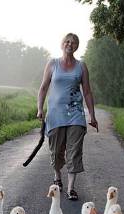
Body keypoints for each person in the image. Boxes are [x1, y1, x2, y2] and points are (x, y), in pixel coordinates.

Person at [37, 33, 98, 201]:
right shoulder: (52, 64)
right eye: (67, 41)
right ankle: (57, 176)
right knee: (56, 151)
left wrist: (92, 115)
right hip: (55, 115)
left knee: (74, 151)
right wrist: (40, 109)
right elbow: (43, 88)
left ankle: (71, 188)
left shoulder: (81, 66)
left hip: (76, 115)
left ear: (77, 46)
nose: (70, 44)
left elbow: (87, 91)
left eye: (73, 42)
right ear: (62, 44)